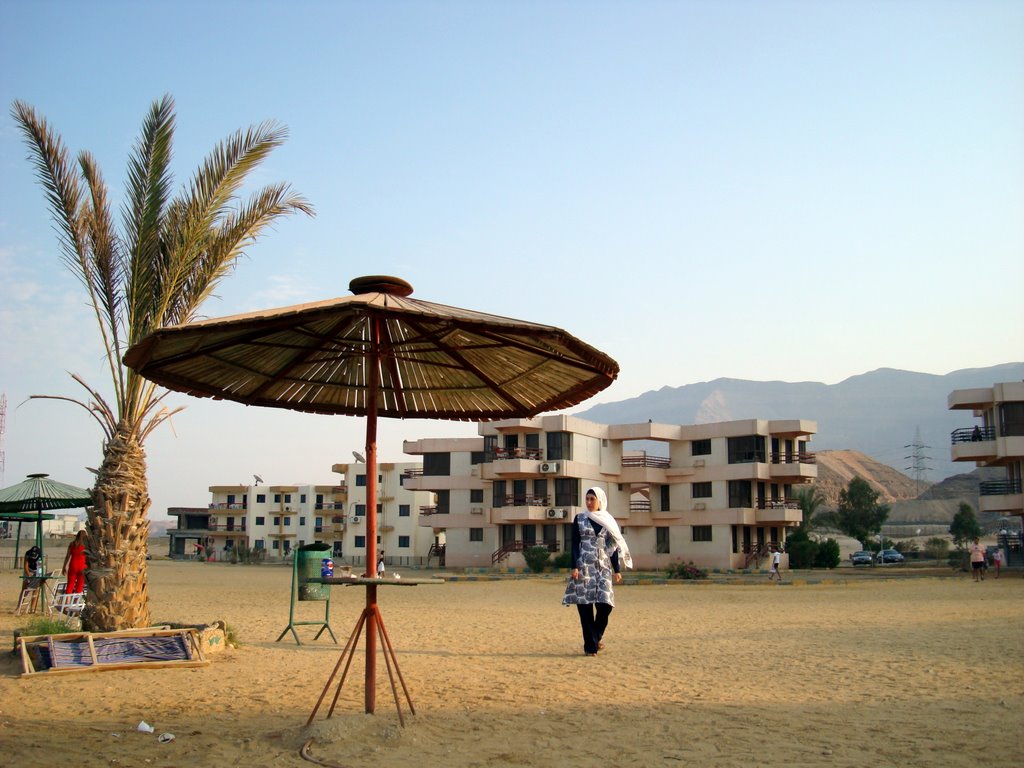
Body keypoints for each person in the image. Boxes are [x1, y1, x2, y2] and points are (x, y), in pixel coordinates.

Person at [562, 487, 632, 656]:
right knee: (585, 608)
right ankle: (590, 647)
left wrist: (617, 569)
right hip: (584, 566)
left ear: (600, 501)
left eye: (592, 499)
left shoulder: (608, 521)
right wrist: (574, 566)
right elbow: (574, 544)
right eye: (587, 499)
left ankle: (596, 635)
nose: (589, 502)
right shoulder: (579, 519)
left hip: (603, 567)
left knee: (606, 605)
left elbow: (612, 547)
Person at [62, 530, 88, 594]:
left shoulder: (72, 544)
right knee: (79, 586)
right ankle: (76, 602)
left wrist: (64, 566)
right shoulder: (86, 546)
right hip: (82, 566)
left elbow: (67, 556)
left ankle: (67, 602)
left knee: (70, 585)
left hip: (73, 565)